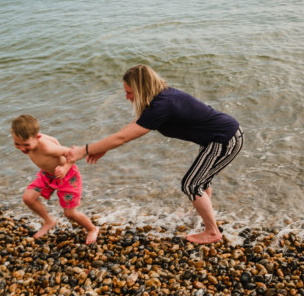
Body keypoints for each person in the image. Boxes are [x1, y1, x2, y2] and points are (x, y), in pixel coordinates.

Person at [64, 64, 244, 244]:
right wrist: (101, 147)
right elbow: (130, 127)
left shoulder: (162, 105)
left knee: (191, 184)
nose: (127, 97)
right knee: (200, 181)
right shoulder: (158, 99)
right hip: (218, 137)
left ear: (141, 89)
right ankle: (203, 215)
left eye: (129, 92)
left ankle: (212, 231)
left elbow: (122, 138)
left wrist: (83, 150)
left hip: (225, 139)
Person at [11, 114, 99, 244]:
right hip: (47, 175)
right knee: (28, 198)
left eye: (26, 145)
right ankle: (49, 221)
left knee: (70, 214)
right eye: (17, 144)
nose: (22, 148)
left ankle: (92, 229)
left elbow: (71, 153)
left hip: (67, 176)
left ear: (37, 137)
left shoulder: (46, 147)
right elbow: (53, 138)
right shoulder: (36, 138)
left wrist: (64, 167)